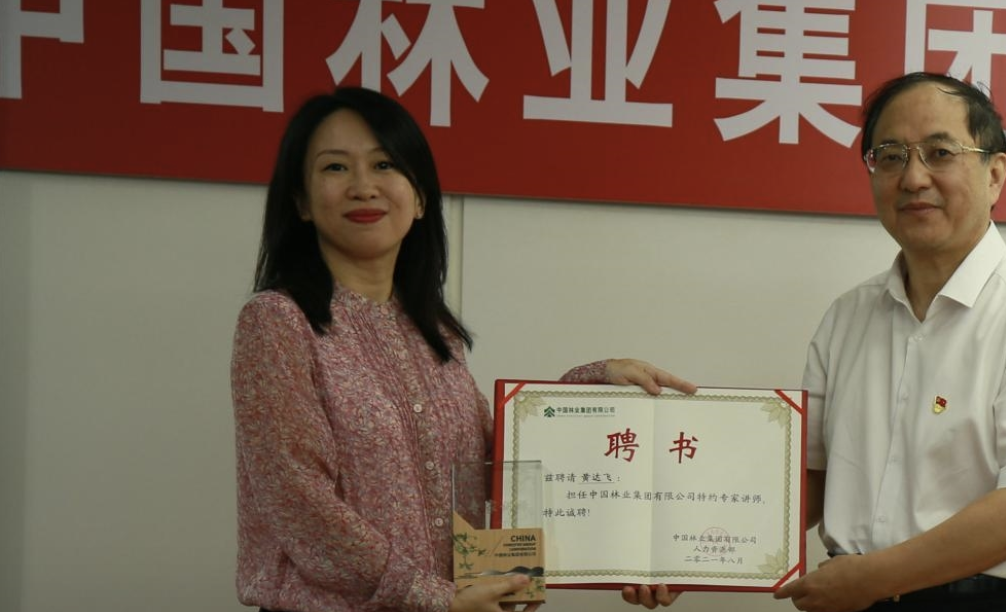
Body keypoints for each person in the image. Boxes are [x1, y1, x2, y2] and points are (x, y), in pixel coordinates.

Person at [231, 86, 692, 612]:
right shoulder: (277, 323)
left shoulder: (434, 333)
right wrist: (433, 597)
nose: (363, 187)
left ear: (420, 198)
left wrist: (637, 553)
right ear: (301, 201)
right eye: (335, 167)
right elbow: (297, 502)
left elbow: (497, 465)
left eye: (385, 164)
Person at [775, 72, 1006, 611]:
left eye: (940, 153)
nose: (913, 178)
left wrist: (874, 579)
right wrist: (685, 551)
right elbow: (806, 481)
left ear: (994, 174)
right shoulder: (847, 317)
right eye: (890, 157)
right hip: (852, 598)